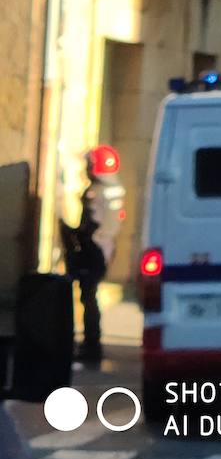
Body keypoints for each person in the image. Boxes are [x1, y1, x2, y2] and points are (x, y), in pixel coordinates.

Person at [59, 147, 124, 365]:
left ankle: (91, 344)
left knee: (88, 298)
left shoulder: (96, 192)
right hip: (106, 248)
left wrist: (71, 233)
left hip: (93, 250)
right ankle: (91, 343)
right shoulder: (114, 188)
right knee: (90, 297)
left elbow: (91, 224)